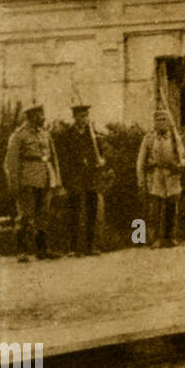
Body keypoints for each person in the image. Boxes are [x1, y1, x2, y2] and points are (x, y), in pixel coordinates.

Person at [4, 102, 61, 262]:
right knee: (25, 215)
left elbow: (53, 158)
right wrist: (14, 183)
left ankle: (42, 249)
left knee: (43, 214)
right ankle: (21, 251)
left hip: (45, 178)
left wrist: (57, 180)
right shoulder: (19, 135)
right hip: (27, 180)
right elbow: (11, 162)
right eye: (39, 114)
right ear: (30, 116)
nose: (42, 117)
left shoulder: (45, 134)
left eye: (42, 114)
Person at [56, 103, 107, 256]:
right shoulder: (67, 135)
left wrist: (102, 160)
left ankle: (90, 246)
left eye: (86, 116)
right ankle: (73, 248)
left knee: (92, 210)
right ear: (74, 117)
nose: (84, 119)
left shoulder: (92, 134)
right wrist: (66, 180)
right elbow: (63, 160)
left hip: (91, 176)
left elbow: (101, 153)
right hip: (75, 177)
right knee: (74, 211)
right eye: (80, 116)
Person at [136, 107, 185, 248]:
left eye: (163, 119)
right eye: (157, 120)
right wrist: (141, 180)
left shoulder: (175, 138)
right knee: (156, 208)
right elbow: (141, 161)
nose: (160, 122)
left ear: (168, 122)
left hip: (172, 175)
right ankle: (156, 238)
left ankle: (170, 237)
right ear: (154, 123)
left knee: (171, 206)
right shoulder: (148, 139)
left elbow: (184, 157)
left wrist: (182, 165)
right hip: (156, 176)